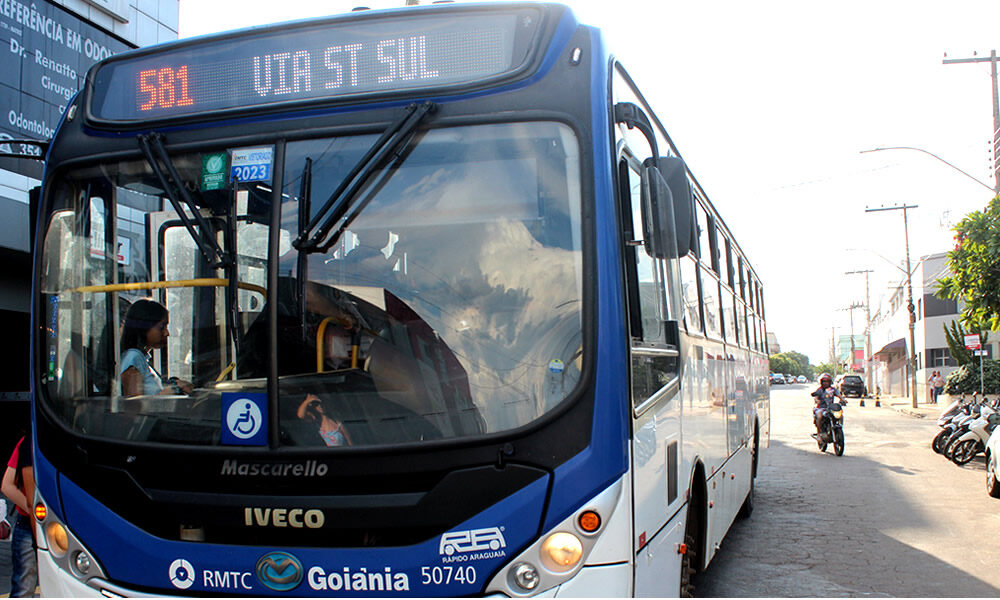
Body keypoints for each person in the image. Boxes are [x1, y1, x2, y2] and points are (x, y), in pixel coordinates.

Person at [120, 298, 193, 397]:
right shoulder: (133, 357)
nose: (166, 333)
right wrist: (174, 389)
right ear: (144, 328)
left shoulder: (141, 358)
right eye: (161, 327)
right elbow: (134, 406)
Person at [2, 434, 36, 597]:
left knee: (24, 585)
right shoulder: (29, 442)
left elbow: (7, 485)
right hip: (33, 522)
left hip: (29, 520)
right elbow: (7, 485)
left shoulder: (28, 441)